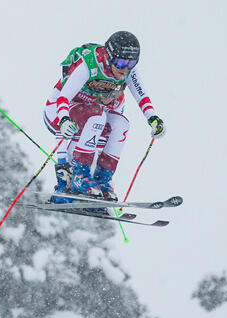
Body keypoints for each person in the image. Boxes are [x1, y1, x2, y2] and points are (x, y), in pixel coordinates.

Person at [43, 31, 165, 203]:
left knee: (121, 124)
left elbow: (141, 96)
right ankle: (78, 176)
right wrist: (63, 121)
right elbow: (63, 98)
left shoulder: (128, 72)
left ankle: (102, 180)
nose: (125, 69)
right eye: (121, 62)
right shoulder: (90, 65)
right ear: (109, 56)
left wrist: (153, 119)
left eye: (131, 63)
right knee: (97, 117)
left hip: (89, 115)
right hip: (58, 109)